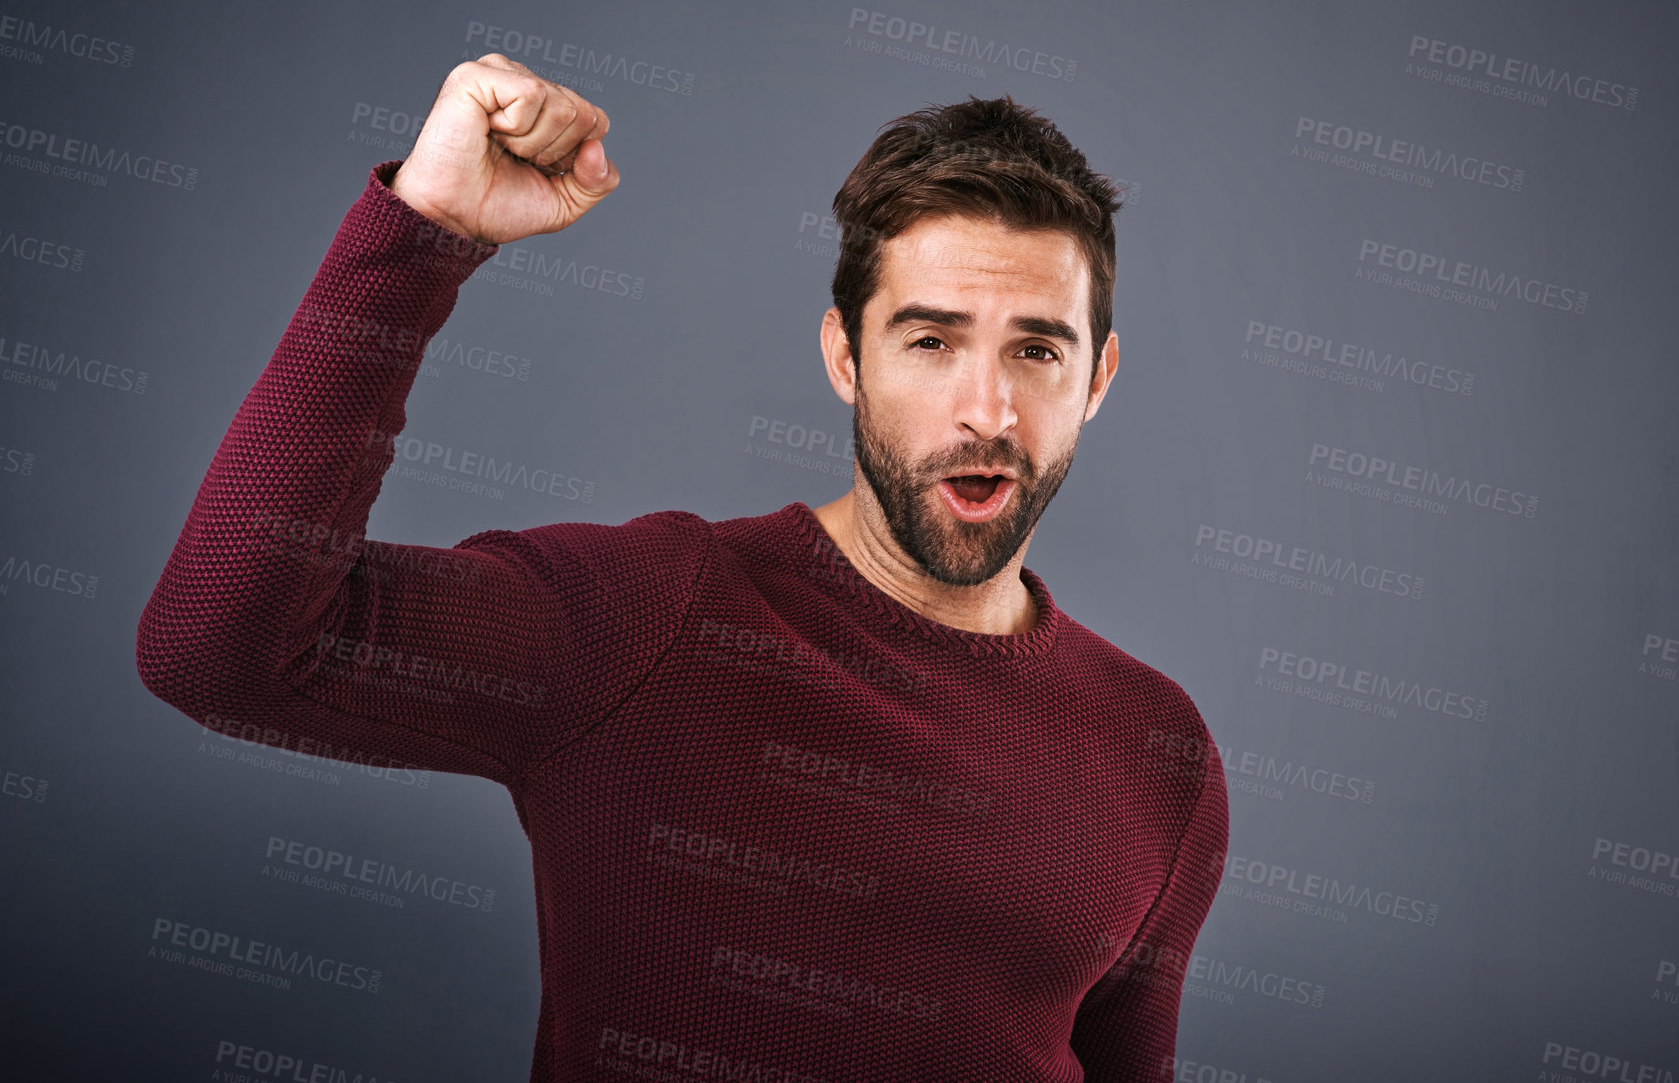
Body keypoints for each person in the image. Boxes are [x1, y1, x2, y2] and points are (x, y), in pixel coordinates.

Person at [137, 53, 1228, 1082]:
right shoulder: (650, 616)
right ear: (844, 357)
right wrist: (422, 232)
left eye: (1036, 349)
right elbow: (220, 646)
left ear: (1097, 376)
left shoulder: (1157, 753)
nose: (985, 410)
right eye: (929, 340)